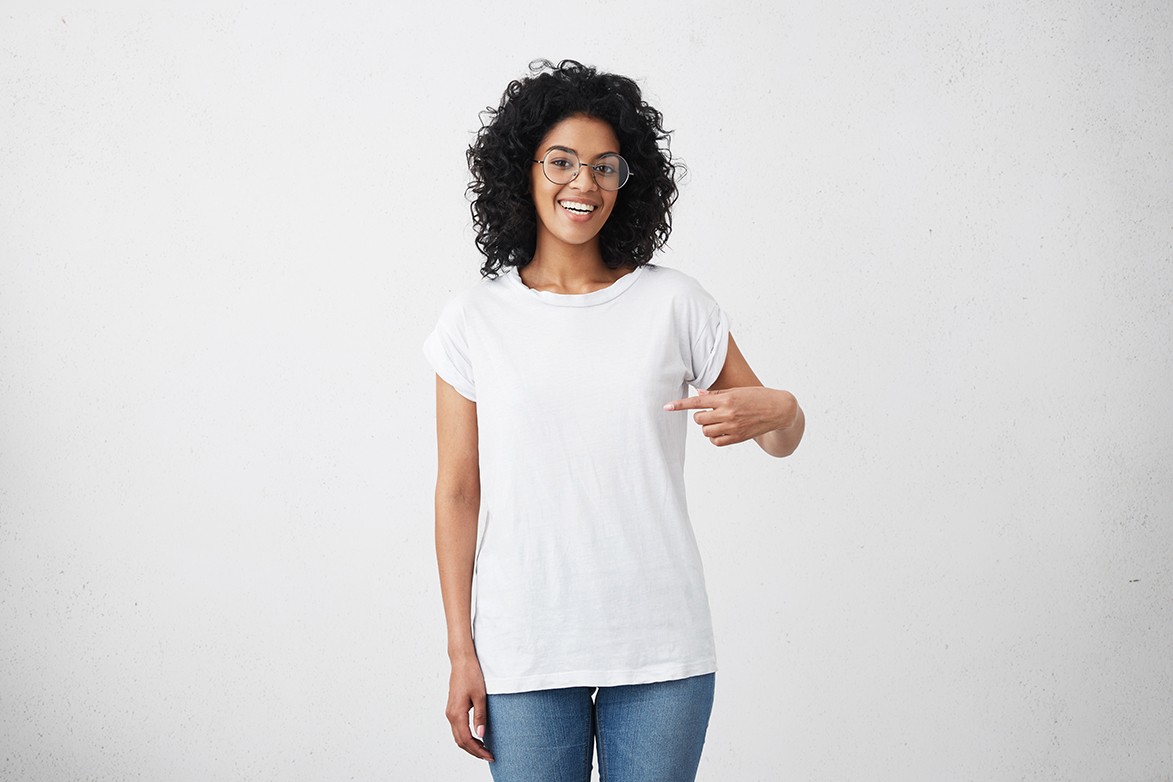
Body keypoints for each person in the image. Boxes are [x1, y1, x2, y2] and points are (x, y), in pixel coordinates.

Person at [422, 59, 804, 782]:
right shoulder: (472, 318)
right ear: (522, 170)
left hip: (660, 646)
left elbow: (780, 438)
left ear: (629, 181)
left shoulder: (674, 304)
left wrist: (784, 409)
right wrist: (459, 650)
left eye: (605, 166)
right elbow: (458, 492)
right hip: (524, 647)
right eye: (562, 161)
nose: (585, 183)